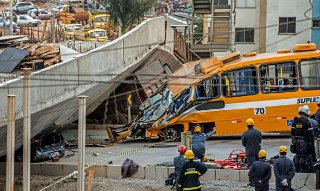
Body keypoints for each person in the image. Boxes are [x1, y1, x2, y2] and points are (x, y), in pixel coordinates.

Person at [291, 106, 314, 172]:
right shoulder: (307, 121)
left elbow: (292, 133)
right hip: (304, 141)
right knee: (303, 156)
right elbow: (311, 134)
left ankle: (296, 169)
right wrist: (311, 143)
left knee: (297, 155)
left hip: (296, 141)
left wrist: (294, 143)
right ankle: (301, 169)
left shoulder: (295, 120)